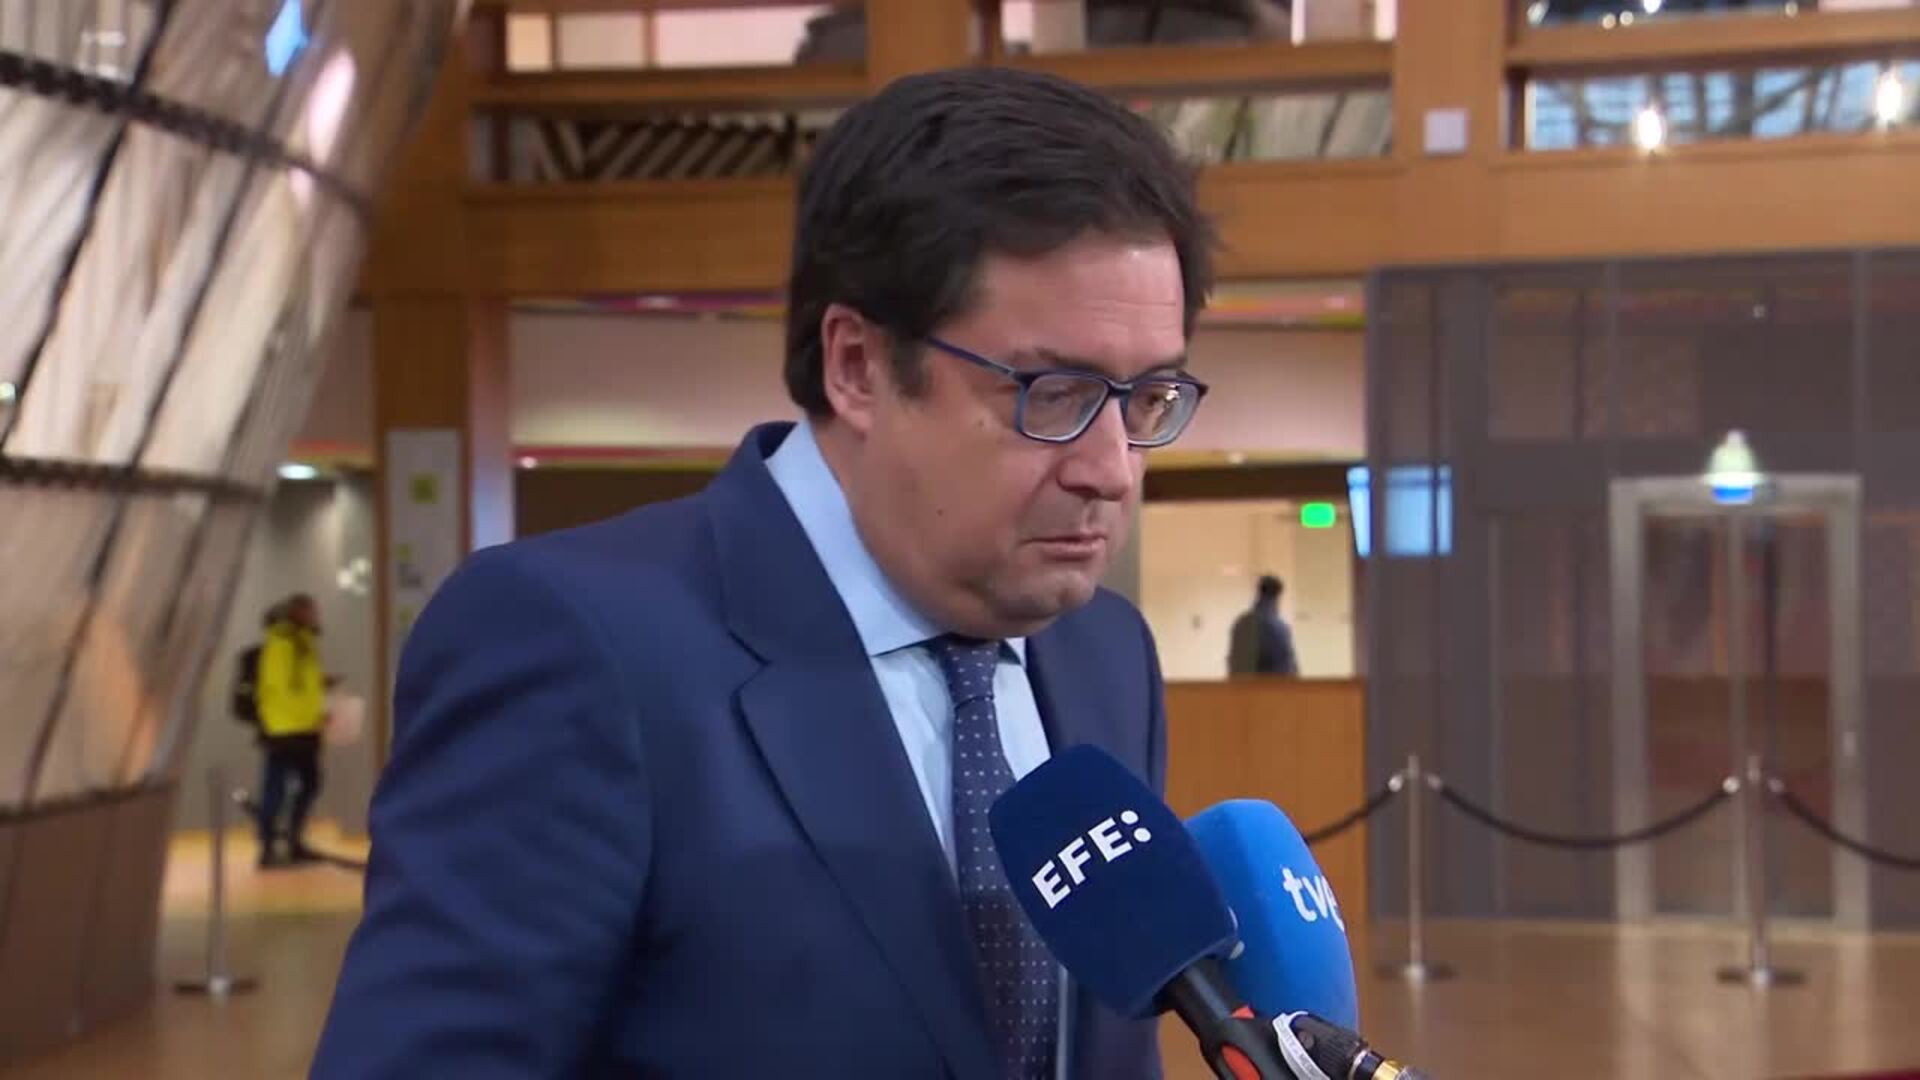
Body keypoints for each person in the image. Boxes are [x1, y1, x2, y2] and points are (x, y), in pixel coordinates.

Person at [314, 65, 1215, 1079]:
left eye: (1149, 398)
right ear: (857, 365)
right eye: (1054, 393)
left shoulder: (1105, 652)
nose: (1111, 469)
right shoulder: (571, 645)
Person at [254, 592, 329, 867]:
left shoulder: (304, 641)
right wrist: (307, 717)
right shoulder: (281, 641)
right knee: (276, 789)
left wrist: (321, 693)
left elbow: (302, 686)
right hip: (284, 729)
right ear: (297, 612)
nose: (315, 616)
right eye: (311, 611)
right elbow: (278, 689)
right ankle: (267, 848)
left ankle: (293, 840)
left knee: (310, 784)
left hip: (304, 728)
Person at [1228, 575, 1299, 677]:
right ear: (1278, 597)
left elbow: (1233, 661)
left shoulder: (1241, 623)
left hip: (1240, 684)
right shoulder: (1278, 627)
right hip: (1269, 684)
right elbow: (1286, 666)